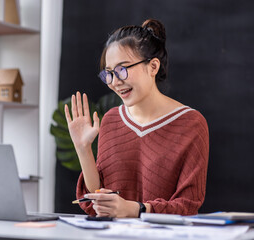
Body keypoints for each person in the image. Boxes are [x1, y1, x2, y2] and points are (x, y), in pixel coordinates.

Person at [64, 19, 209, 218]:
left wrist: (136, 210)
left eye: (122, 70)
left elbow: (188, 206)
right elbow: (96, 200)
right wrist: (83, 148)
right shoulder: (111, 120)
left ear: (153, 67)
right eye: (109, 74)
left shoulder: (191, 123)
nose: (115, 82)